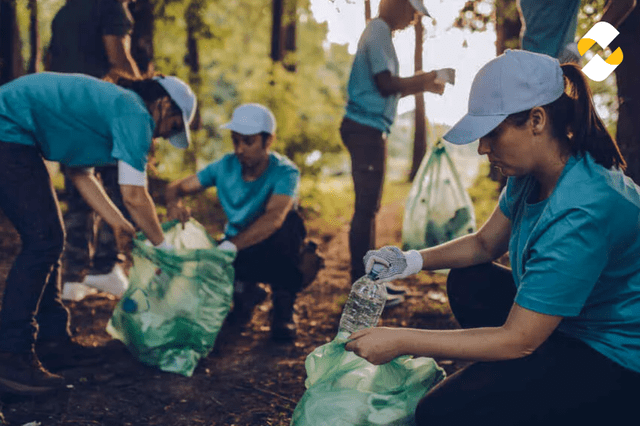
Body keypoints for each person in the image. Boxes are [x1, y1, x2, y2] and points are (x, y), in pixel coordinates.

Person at [345, 50, 640, 425]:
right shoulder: (532, 173)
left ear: (536, 119)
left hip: (617, 358)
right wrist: (409, 261)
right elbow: (484, 244)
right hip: (567, 326)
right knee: (470, 279)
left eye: (492, 133)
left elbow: (519, 339)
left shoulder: (584, 208)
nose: (483, 148)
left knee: (440, 414)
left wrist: (400, 339)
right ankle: (526, 391)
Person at [0, 72, 196, 395]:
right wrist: (165, 249)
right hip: (9, 128)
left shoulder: (116, 111)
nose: (161, 136)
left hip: (16, 133)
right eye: (173, 125)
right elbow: (134, 194)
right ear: (163, 104)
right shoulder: (135, 112)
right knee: (44, 240)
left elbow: (81, 175)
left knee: (48, 239)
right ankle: (10, 355)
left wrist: (119, 224)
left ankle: (52, 341)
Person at [166, 104, 308, 343]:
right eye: (235, 141)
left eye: (248, 142)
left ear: (268, 141)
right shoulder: (224, 166)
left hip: (270, 247)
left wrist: (229, 247)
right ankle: (246, 294)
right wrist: (173, 206)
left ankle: (283, 308)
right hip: (236, 249)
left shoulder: (285, 172)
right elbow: (176, 188)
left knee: (291, 224)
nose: (240, 149)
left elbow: (274, 219)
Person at [340, 0, 454, 296]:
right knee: (366, 209)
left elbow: (389, 87)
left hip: (372, 128)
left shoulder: (382, 33)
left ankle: (370, 282)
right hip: (364, 128)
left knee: (370, 208)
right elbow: (386, 84)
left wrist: (425, 85)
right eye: (413, 13)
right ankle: (363, 286)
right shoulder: (378, 30)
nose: (414, 20)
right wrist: (429, 77)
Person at [46, 0, 143, 296]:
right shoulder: (113, 8)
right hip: (101, 112)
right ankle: (105, 269)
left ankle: (73, 277)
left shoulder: (66, 11)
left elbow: (51, 62)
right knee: (116, 187)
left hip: (65, 111)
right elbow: (118, 60)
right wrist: (145, 95)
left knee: (78, 192)